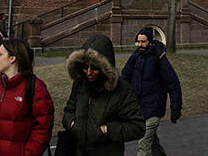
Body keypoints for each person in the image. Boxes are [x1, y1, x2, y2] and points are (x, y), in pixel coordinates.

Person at [61, 34, 145, 156]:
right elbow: (69, 110)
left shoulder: (121, 90)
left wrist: (107, 130)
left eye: (94, 68)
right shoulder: (80, 83)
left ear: (104, 68)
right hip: (79, 151)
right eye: (85, 67)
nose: (89, 72)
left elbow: (137, 127)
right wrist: (72, 124)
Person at [0, 38, 54, 156]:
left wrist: (29, 153)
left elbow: (43, 127)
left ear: (12, 59)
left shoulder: (35, 88)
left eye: (0, 55)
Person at [121, 28, 183, 156]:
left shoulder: (159, 59)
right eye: (138, 42)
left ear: (150, 42)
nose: (140, 45)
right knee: (152, 140)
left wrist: (175, 108)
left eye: (143, 42)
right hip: (140, 107)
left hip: (154, 107)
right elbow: (125, 78)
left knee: (143, 144)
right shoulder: (135, 57)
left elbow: (173, 84)